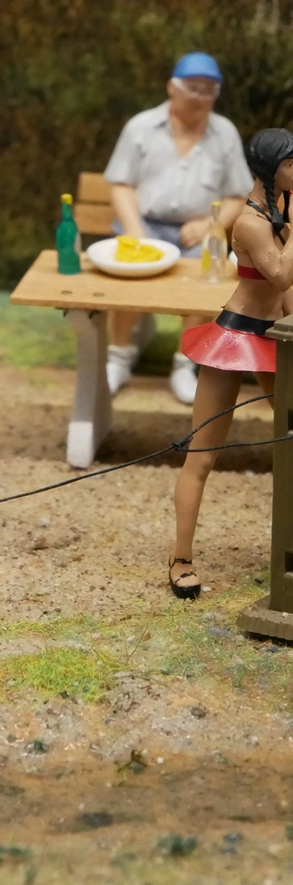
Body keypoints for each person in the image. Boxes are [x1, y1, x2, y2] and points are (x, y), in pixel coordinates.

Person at [169, 128, 293, 599]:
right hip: (237, 335)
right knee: (202, 454)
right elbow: (280, 274)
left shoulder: (280, 211)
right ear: (270, 168)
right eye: (291, 164)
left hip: (275, 334)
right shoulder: (250, 222)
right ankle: (181, 557)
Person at [104, 52, 252, 404]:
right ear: (172, 87)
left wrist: (209, 225)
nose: (201, 96)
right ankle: (119, 354)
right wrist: (134, 229)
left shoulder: (224, 133)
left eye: (209, 90)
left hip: (197, 229)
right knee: (127, 273)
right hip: (145, 225)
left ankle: (184, 362)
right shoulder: (141, 127)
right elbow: (121, 184)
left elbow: (238, 194)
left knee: (205, 277)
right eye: (193, 88)